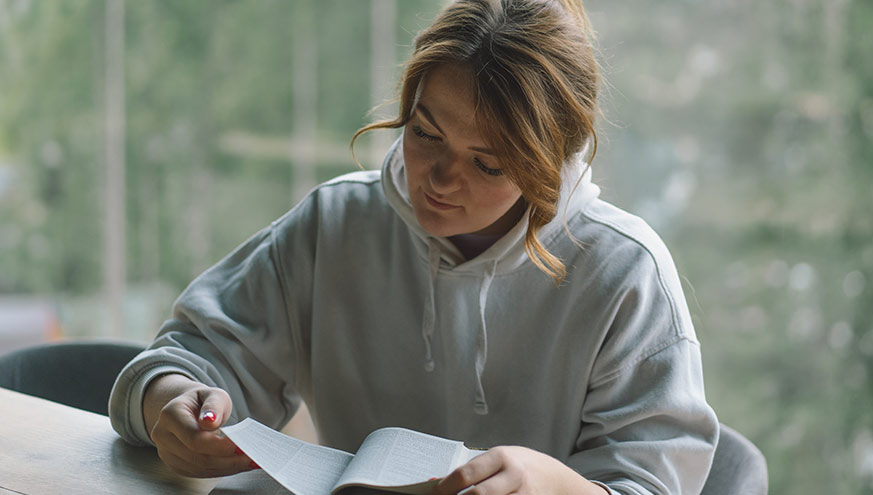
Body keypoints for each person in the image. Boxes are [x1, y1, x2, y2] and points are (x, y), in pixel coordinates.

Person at [109, 1, 719, 493]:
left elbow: (653, 482)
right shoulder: (336, 224)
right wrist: (174, 405)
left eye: (487, 164)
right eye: (426, 133)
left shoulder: (624, 275)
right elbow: (192, 355)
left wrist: (558, 487)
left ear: (549, 165)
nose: (440, 178)